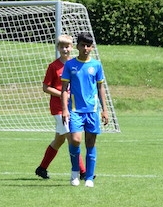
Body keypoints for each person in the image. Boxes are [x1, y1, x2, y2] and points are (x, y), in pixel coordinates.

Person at [61, 31, 110, 187]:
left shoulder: (96, 65)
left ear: (92, 47)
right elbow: (64, 89)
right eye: (83, 45)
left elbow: (100, 88)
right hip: (75, 110)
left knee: (90, 143)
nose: (86, 48)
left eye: (88, 46)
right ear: (77, 46)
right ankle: (75, 172)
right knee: (76, 140)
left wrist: (105, 109)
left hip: (92, 110)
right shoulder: (70, 65)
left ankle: (89, 178)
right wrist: (64, 109)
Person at [36, 35, 84, 179]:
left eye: (67, 46)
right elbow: (46, 87)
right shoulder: (53, 66)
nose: (65, 49)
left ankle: (42, 168)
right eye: (62, 47)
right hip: (58, 108)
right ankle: (83, 172)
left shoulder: (75, 64)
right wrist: (63, 94)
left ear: (72, 48)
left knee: (59, 139)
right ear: (58, 48)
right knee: (72, 137)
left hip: (72, 107)